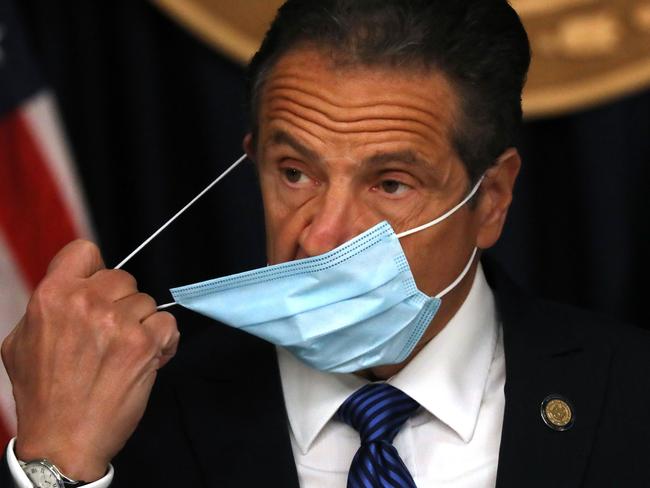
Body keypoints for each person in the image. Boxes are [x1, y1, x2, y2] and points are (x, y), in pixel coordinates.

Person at [3, 0, 650, 487]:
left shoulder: (631, 396)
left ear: (493, 198)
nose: (322, 234)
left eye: (391, 183)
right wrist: (56, 465)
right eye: (295, 172)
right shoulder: (134, 419)